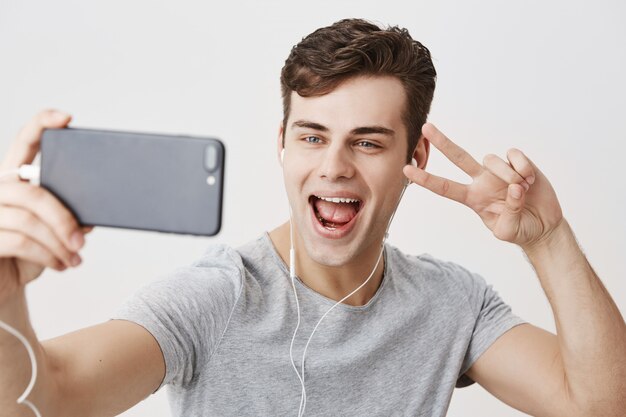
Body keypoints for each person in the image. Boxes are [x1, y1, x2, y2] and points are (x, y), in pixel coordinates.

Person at [0, 18, 624, 417]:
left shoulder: (451, 303)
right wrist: (3, 291)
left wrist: (549, 241)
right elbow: (43, 399)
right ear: (283, 141)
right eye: (312, 137)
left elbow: (600, 406)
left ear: (416, 155)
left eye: (368, 142)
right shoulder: (215, 296)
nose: (333, 167)